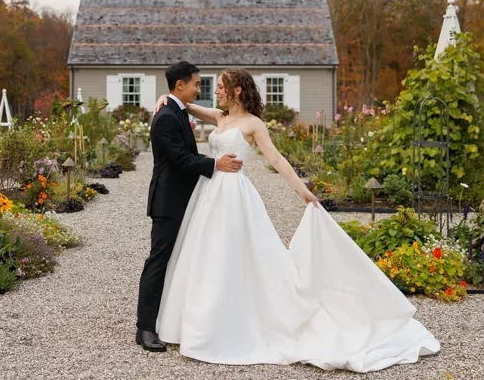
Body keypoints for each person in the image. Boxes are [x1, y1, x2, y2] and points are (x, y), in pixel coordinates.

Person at [151, 67, 441, 373]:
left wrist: (305, 192)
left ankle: (234, 324)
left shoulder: (253, 124)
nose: (216, 90)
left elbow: (276, 159)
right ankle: (199, 323)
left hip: (234, 196)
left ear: (237, 91)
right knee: (204, 255)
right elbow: (182, 103)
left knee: (235, 256)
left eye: (222, 86)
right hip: (208, 193)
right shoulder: (219, 117)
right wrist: (163, 97)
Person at [135, 61, 244, 352]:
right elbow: (180, 158)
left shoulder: (176, 110)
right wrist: (215, 164)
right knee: (158, 261)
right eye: (196, 83)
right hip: (168, 202)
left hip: (184, 198)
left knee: (177, 260)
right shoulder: (167, 117)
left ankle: (166, 318)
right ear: (180, 85)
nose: (200, 88)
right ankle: (144, 328)